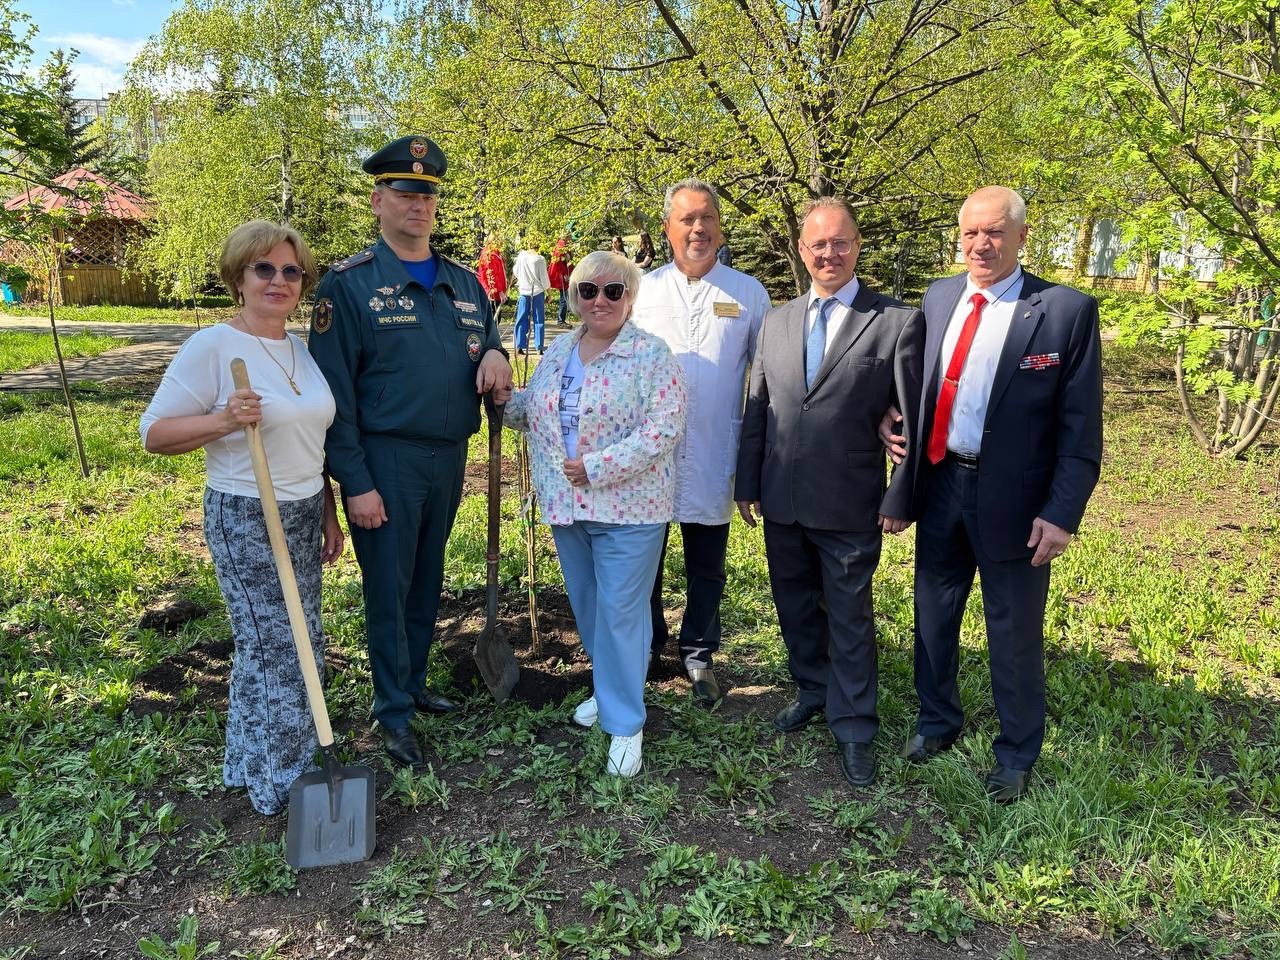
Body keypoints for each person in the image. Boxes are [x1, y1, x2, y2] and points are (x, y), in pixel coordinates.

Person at [879, 186, 1103, 802]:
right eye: (971, 232)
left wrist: (1061, 513)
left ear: (1022, 236)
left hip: (1018, 501)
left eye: (995, 232)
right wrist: (890, 416)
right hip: (941, 482)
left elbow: (1081, 428)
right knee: (934, 612)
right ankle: (937, 721)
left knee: (1013, 629)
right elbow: (918, 381)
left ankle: (1017, 752)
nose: (981, 244)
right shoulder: (939, 296)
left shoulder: (1064, 311)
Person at [308, 135, 513, 768]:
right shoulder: (348, 286)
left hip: (448, 458)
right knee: (389, 590)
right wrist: (355, 482)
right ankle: (392, 712)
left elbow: (486, 338)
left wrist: (498, 352)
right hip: (385, 461)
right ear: (378, 201)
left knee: (426, 580)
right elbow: (333, 396)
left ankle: (414, 683)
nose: (418, 204)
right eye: (404, 193)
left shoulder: (464, 284)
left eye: (427, 194)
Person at [140, 220, 343, 816]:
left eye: (291, 271)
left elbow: (309, 441)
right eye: (264, 268)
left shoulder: (298, 348)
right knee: (279, 647)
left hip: (302, 511)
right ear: (239, 277)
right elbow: (154, 433)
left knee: (287, 641)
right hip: (247, 514)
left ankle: (245, 760)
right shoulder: (213, 346)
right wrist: (225, 420)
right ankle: (284, 782)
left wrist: (328, 511)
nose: (279, 280)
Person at [735, 198, 924, 788]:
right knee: (794, 604)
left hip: (849, 499)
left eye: (840, 242)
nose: (829, 253)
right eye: (818, 244)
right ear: (802, 250)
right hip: (782, 496)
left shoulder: (895, 321)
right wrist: (747, 482)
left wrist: (901, 495)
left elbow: (910, 419)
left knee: (849, 615)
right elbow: (758, 405)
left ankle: (855, 725)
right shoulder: (777, 321)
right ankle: (813, 689)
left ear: (857, 246)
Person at [505, 251, 686, 777]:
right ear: (574, 297)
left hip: (630, 508)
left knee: (621, 612)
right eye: (588, 290)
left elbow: (665, 427)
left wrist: (598, 466)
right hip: (567, 504)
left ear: (630, 297)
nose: (600, 300)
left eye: (613, 290)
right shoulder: (560, 349)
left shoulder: (651, 354)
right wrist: (500, 394)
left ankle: (626, 723)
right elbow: (535, 411)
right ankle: (610, 691)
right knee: (588, 607)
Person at [631, 180, 770, 705]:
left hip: (715, 447)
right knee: (643, 558)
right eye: (686, 219)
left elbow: (767, 380)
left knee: (707, 563)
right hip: (647, 454)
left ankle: (698, 654)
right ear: (667, 229)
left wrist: (756, 462)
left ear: (720, 227)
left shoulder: (748, 293)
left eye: (707, 217)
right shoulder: (642, 291)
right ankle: (646, 646)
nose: (698, 228)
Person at [513, 236, 551, 354]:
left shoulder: (521, 256)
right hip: (537, 291)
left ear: (528, 244)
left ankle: (519, 345)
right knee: (539, 319)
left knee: (521, 318)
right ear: (538, 246)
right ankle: (539, 346)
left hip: (524, 291)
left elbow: (516, 272)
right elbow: (544, 278)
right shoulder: (540, 259)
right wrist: (549, 293)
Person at [548, 234, 575, 328]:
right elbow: (558, 263)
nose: (571, 239)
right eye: (570, 238)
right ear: (566, 237)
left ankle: (561, 319)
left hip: (563, 275)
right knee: (564, 297)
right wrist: (564, 274)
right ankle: (561, 320)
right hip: (562, 276)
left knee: (564, 297)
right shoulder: (561, 247)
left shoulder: (563, 246)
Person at [477, 237, 508, 312]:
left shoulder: (495, 253)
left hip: (495, 293)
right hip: (492, 293)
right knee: (493, 315)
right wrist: (500, 292)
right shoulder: (490, 255)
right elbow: (492, 275)